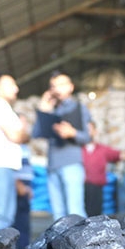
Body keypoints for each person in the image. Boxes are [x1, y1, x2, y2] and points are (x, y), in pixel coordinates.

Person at [36, 71, 92, 221]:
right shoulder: (50, 109)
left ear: (70, 87)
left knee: (75, 211)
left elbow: (88, 136)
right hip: (52, 166)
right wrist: (43, 111)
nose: (56, 89)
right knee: (58, 214)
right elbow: (36, 133)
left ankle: (82, 237)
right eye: (53, 86)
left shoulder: (79, 108)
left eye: (61, 85)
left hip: (71, 165)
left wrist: (72, 133)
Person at [0, 74, 31, 237]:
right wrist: (23, 134)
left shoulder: (6, 109)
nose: (16, 89)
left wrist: (22, 134)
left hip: (6, 167)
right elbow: (16, 136)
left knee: (6, 216)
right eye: (10, 85)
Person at [82, 121, 125, 217]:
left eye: (89, 129)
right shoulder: (77, 150)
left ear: (95, 131)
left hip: (96, 189)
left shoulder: (102, 150)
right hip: (81, 188)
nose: (87, 132)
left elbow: (121, 155)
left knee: (93, 216)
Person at [13, 140, 34, 249]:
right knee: (18, 223)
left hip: (25, 182)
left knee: (24, 224)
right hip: (18, 182)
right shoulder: (14, 140)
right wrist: (17, 182)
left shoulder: (24, 145)